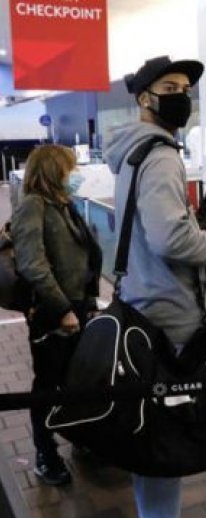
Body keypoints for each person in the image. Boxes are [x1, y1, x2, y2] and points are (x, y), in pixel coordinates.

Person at [104, 55, 206, 518]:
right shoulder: (158, 155)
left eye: (185, 88)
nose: (180, 95)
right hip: (166, 312)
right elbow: (170, 239)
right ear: (144, 98)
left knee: (156, 436)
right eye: (169, 87)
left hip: (143, 300)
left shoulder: (131, 153)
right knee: (164, 442)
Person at [11, 145, 102, 486]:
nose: (75, 174)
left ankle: (80, 438)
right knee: (48, 384)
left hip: (76, 306)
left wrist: (88, 301)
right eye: (70, 168)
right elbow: (33, 265)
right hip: (53, 313)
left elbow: (83, 255)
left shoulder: (63, 205)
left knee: (76, 378)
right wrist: (63, 309)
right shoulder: (33, 207)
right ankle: (44, 453)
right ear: (52, 171)